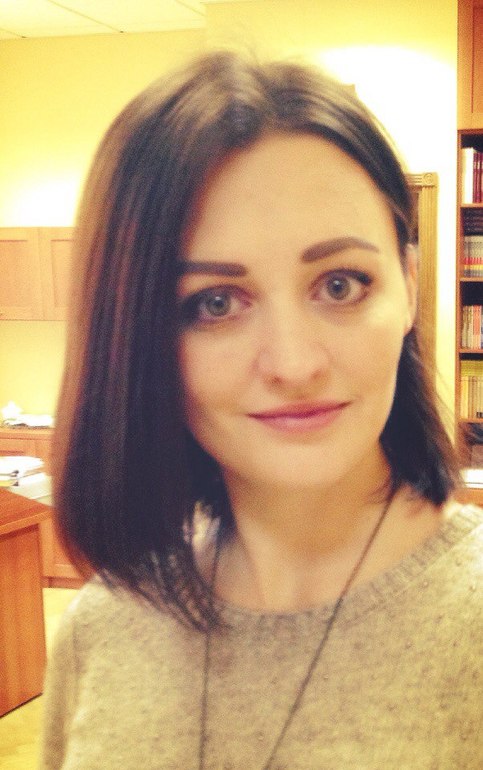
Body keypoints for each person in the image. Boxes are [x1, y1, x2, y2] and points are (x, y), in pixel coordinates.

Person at [40, 51, 482, 770]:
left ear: (407, 283)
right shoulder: (105, 624)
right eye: (215, 303)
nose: (294, 364)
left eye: (340, 284)